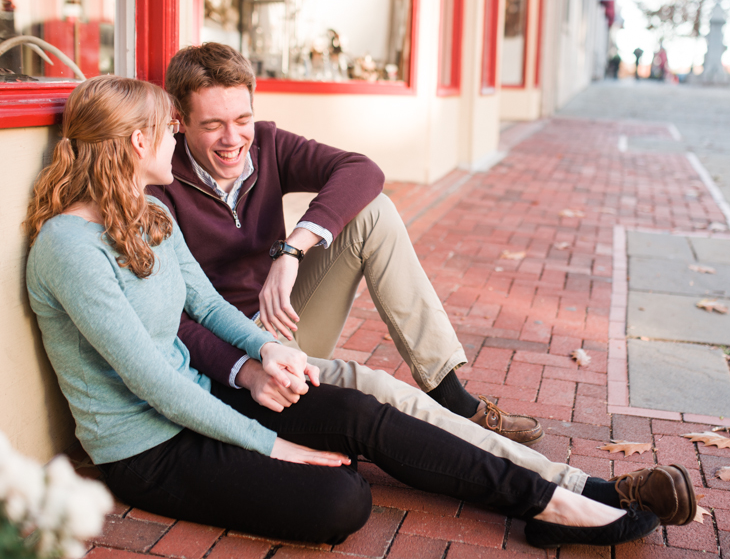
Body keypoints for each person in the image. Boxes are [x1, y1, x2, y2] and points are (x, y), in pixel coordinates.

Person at [24, 75, 672, 547]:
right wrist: (277, 448)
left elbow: (207, 303)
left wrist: (266, 348)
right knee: (342, 500)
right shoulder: (68, 250)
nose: (179, 138)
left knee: (365, 412)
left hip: (204, 396)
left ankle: (555, 502)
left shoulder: (150, 213)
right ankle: (546, 493)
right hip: (148, 450)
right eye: (171, 127)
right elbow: (151, 382)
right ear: (138, 141)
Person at [147, 43, 699, 515]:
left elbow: (363, 170)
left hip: (283, 316)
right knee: (386, 397)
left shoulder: (265, 143)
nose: (232, 139)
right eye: (213, 125)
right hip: (242, 360)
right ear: (179, 121)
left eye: (241, 119)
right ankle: (579, 489)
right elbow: (168, 317)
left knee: (373, 211)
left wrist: (292, 249)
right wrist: (247, 362)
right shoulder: (156, 186)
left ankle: (449, 392)